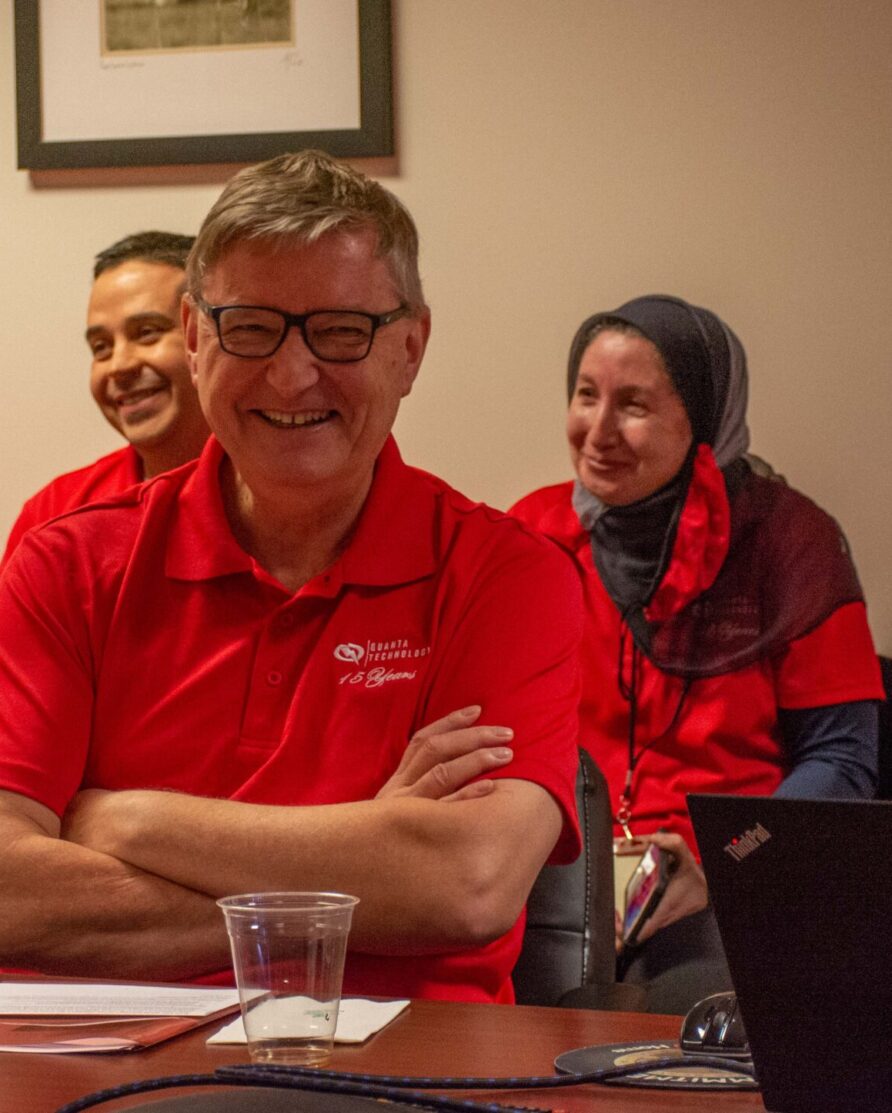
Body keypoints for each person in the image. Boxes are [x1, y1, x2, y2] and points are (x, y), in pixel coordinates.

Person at [0, 151, 583, 1004]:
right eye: (250, 327)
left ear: (411, 348)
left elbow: (465, 884)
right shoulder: (62, 562)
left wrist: (123, 818)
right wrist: (365, 879)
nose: (291, 372)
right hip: (88, 1062)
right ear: (200, 340)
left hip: (398, 1072)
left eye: (341, 330)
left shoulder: (510, 576)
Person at [510, 294, 883, 1012]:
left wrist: (724, 861)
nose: (598, 430)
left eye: (635, 404)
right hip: (561, 872)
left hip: (735, 864)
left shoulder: (791, 543)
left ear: (705, 418)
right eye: (587, 395)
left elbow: (842, 763)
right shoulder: (533, 534)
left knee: (688, 1017)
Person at [2, 231, 209, 563]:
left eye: (146, 333)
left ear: (207, 336)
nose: (119, 366)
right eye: (101, 347)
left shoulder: (282, 494)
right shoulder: (55, 513)